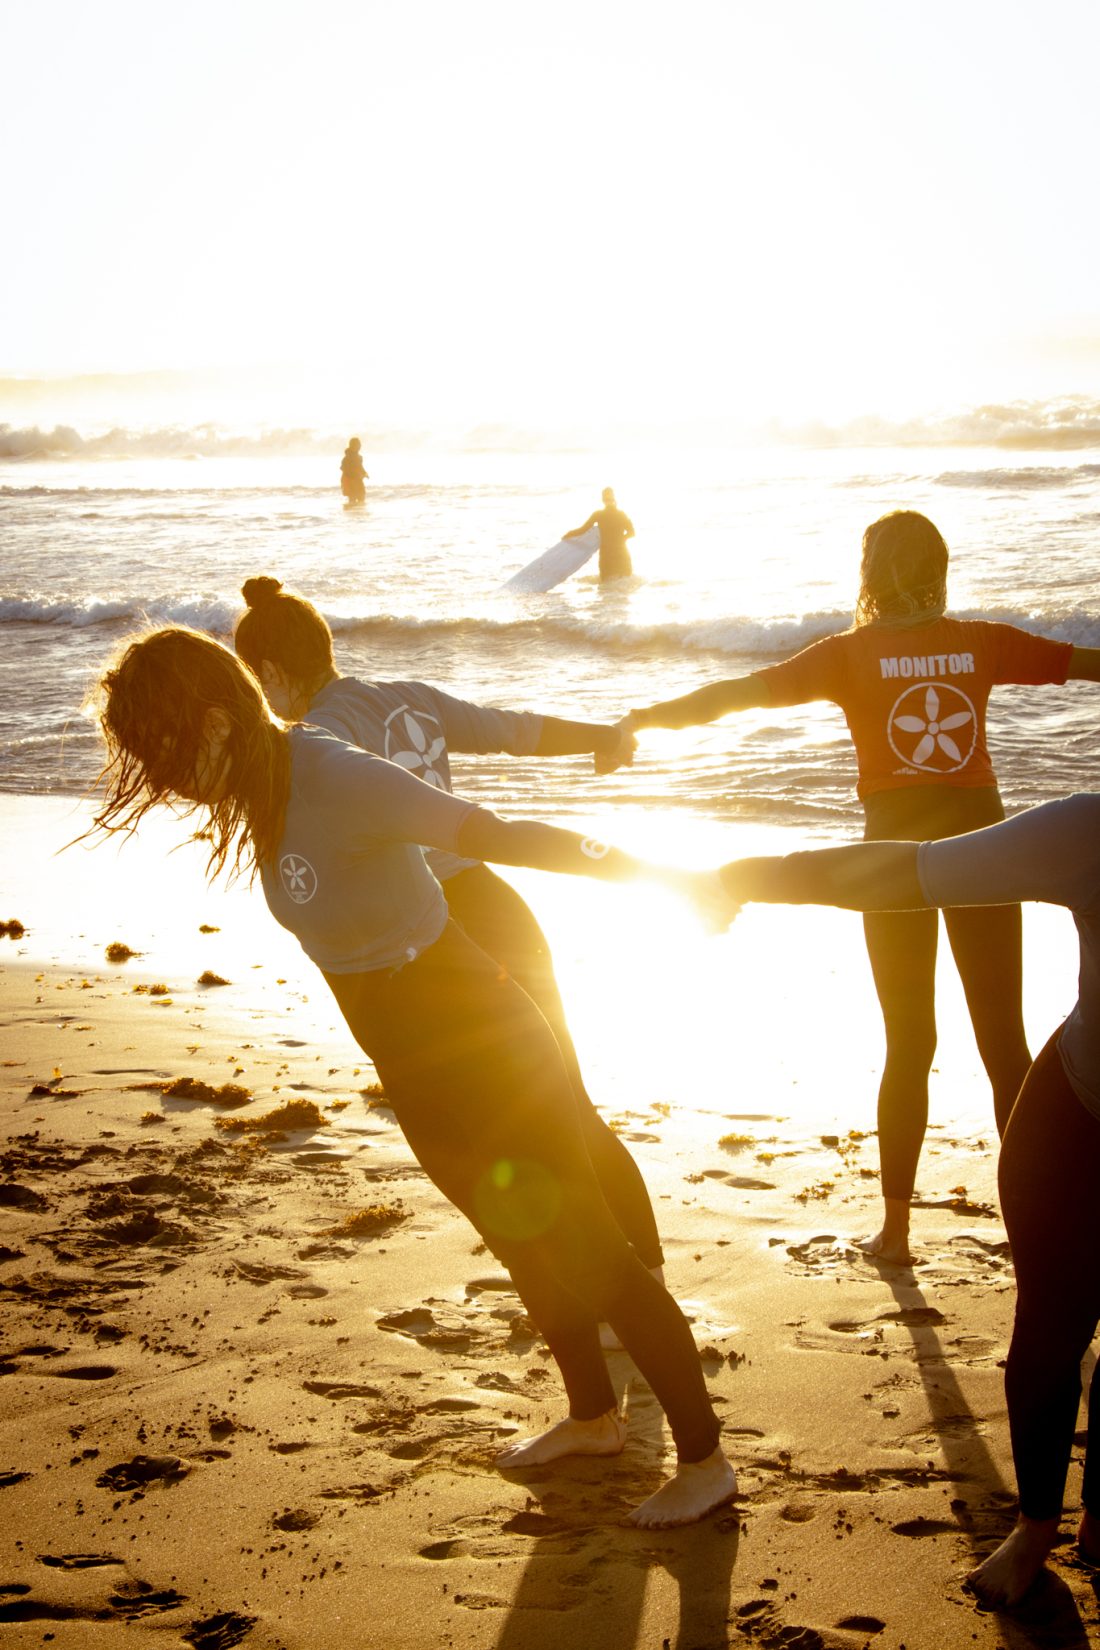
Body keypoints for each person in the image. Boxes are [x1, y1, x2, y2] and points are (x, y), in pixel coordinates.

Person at [88, 625, 738, 1529]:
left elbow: (505, 836)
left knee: (594, 1254)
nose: (162, 780)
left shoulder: (336, 773)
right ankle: (593, 1419)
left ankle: (706, 1462)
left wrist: (673, 879)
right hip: (413, 1067)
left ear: (212, 719)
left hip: (492, 1045)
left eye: (162, 750)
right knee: (519, 1241)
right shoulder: (260, 793)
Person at [623, 510, 1100, 1263]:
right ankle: (1032, 1231)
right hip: (988, 854)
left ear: (871, 574)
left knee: (909, 1041)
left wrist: (647, 717)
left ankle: (898, 1232)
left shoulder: (849, 656)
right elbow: (1090, 664)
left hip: (893, 868)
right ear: (939, 567)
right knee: (1002, 1041)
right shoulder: (981, 642)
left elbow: (740, 694)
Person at [233, 574, 665, 1300]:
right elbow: (514, 728)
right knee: (569, 1106)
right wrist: (603, 737)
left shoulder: (313, 743)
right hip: (500, 907)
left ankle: (586, 1283)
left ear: (270, 675)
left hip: (439, 936)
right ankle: (644, 1278)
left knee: (497, 1128)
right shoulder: (415, 698)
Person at [718, 798, 1100, 1608]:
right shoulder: (1089, 831)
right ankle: (1036, 1527)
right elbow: (912, 871)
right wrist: (749, 875)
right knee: (1050, 1328)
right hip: (1076, 1110)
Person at [564, 487, 634, 581]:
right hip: (621, 554)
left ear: (602, 500)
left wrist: (568, 535)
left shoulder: (598, 514)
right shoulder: (621, 514)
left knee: (605, 587)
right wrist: (621, 540)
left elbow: (582, 530)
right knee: (625, 585)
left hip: (607, 555)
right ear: (614, 498)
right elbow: (632, 533)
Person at [340, 438, 368, 505]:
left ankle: (358, 512)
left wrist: (364, 473)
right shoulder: (347, 458)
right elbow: (343, 468)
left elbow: (360, 467)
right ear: (352, 446)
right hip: (349, 480)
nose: (359, 447)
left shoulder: (359, 457)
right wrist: (354, 476)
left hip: (358, 479)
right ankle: (352, 513)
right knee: (352, 498)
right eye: (357, 445)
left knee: (362, 496)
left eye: (359, 445)